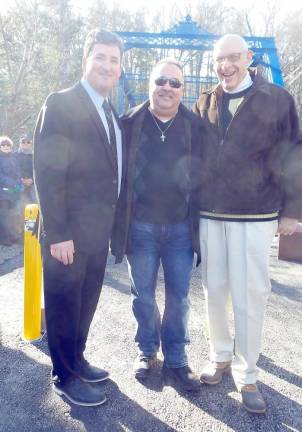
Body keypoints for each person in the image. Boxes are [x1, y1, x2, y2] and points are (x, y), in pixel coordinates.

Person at [193, 34, 302, 413]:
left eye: (233, 58)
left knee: (251, 292)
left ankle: (247, 372)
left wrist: (293, 210)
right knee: (214, 289)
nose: (226, 66)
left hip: (256, 212)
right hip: (211, 212)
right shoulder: (205, 101)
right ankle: (219, 356)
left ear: (249, 58)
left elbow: (293, 154)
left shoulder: (276, 99)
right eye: (219, 59)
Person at [34, 29, 125, 407]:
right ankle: (64, 375)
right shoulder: (61, 103)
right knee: (64, 304)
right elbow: (48, 170)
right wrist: (58, 232)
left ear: (120, 69)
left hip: (96, 234)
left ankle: (78, 359)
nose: (107, 65)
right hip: (66, 234)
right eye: (100, 57)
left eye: (114, 60)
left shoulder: (109, 111)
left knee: (85, 304)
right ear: (86, 59)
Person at [112, 58, 202, 393]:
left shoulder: (195, 126)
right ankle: (147, 351)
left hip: (180, 229)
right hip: (140, 227)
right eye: (161, 80)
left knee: (179, 297)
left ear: (183, 89)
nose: (167, 87)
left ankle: (176, 358)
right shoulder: (128, 123)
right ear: (150, 84)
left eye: (175, 83)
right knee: (143, 296)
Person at [0, 136, 22, 246]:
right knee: (3, 216)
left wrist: (18, 182)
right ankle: (4, 238)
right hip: (2, 193)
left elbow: (18, 171)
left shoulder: (13, 158)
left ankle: (12, 235)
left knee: (11, 215)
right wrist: (11, 182)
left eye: (7, 145)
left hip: (13, 192)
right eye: (3, 145)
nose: (5, 147)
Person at [16, 136, 36, 206]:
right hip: (18, 183)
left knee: (36, 203)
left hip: (33, 183)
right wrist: (20, 179)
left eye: (28, 142)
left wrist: (32, 180)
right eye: (23, 142)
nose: (25, 144)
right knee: (18, 205)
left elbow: (38, 170)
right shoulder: (14, 155)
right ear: (20, 143)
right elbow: (12, 170)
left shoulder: (36, 156)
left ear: (31, 144)